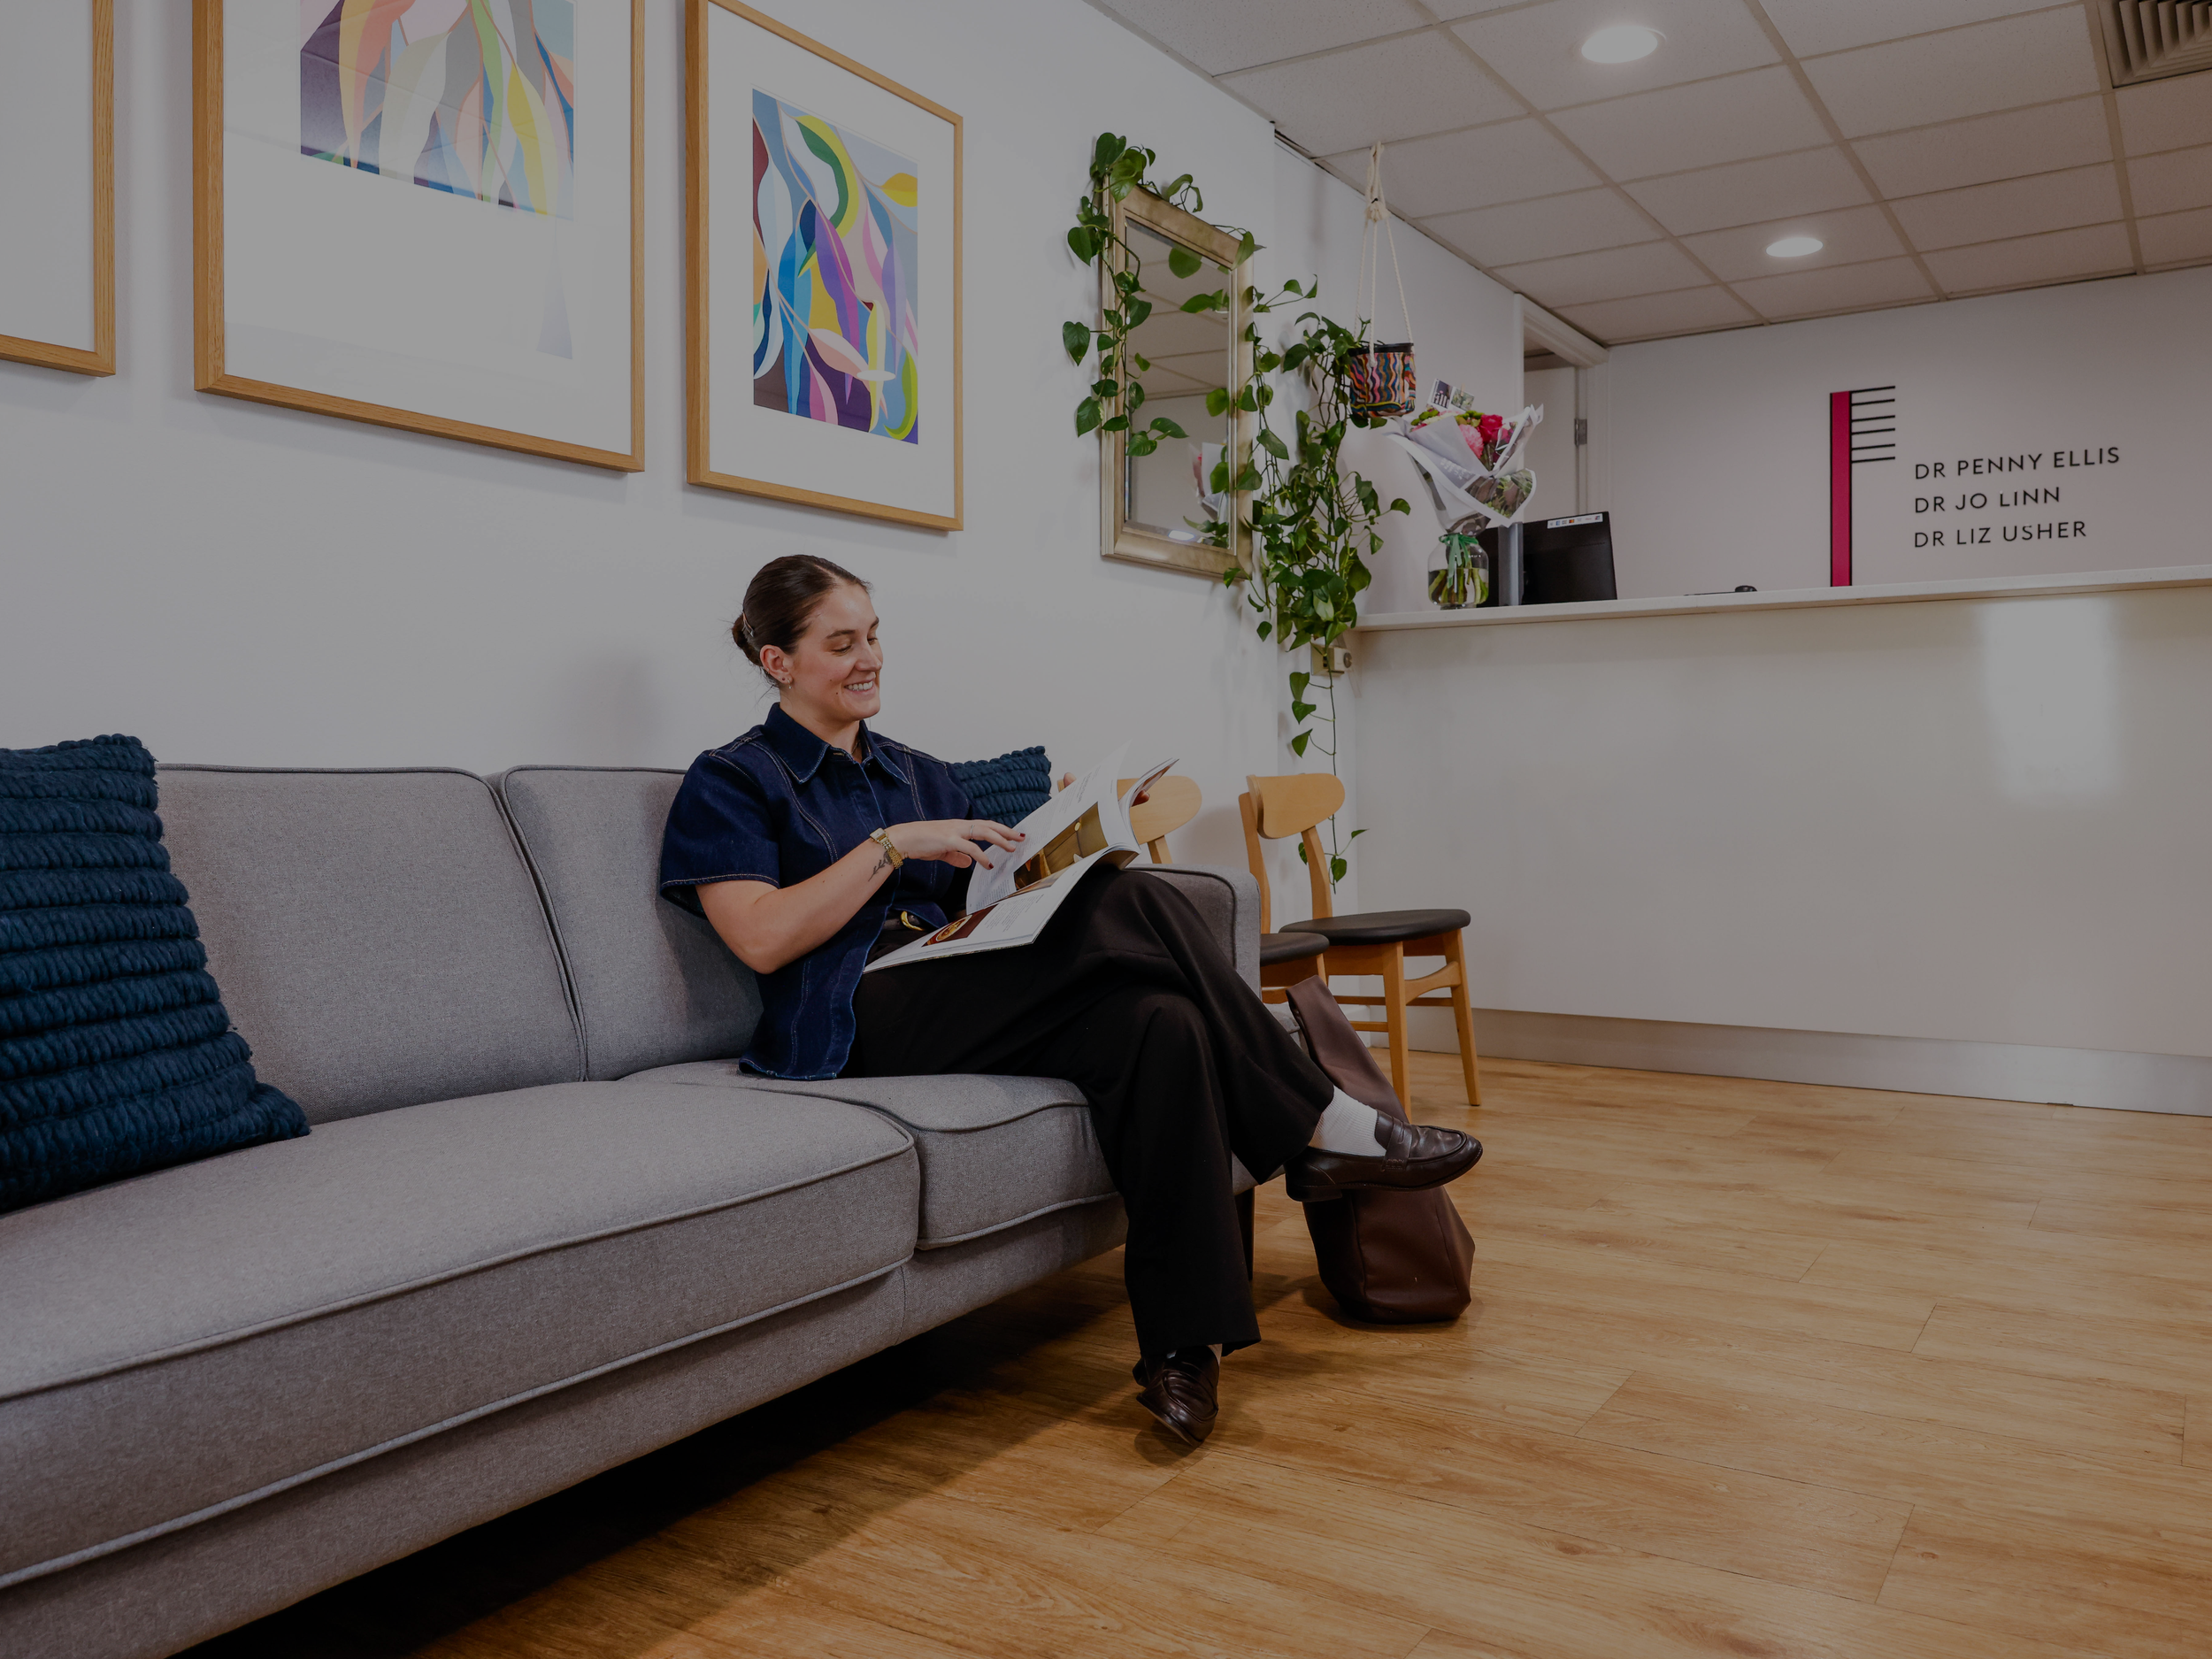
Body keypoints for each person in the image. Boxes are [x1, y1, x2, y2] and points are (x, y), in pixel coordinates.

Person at [657, 555, 1482, 1444]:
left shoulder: (918, 772)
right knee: (1142, 905)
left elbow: (985, 899)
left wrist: (1053, 851)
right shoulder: (734, 779)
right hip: (850, 1017)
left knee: (1157, 1022)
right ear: (778, 661)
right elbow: (761, 937)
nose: (870, 659)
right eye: (841, 643)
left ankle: (1182, 1351)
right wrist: (891, 848)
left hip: (961, 982)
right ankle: (1320, 1122)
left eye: (874, 635)